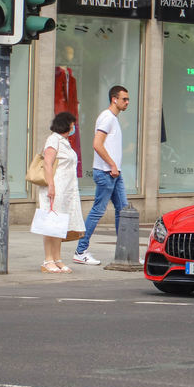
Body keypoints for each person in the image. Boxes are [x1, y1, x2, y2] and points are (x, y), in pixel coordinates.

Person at [74, 86, 129, 265]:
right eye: (124, 99)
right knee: (98, 210)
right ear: (114, 99)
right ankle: (80, 251)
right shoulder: (107, 118)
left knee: (124, 211)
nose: (127, 102)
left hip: (114, 173)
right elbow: (97, 144)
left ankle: (126, 252)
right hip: (107, 172)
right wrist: (112, 164)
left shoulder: (113, 118)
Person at [38, 112, 85, 273]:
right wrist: (51, 185)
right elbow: (47, 163)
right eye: (72, 124)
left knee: (59, 224)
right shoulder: (53, 140)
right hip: (56, 187)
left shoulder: (65, 141)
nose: (74, 127)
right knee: (51, 224)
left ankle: (57, 258)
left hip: (66, 190)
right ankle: (48, 260)